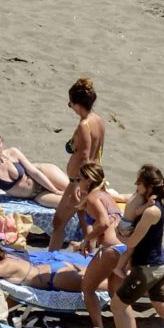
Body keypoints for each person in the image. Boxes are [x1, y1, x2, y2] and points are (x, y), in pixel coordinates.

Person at [110, 165, 164, 328]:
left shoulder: (151, 211)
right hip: (159, 266)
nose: (136, 186)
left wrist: (117, 233)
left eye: (140, 183)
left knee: (117, 305)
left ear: (149, 186)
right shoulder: (156, 204)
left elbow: (133, 241)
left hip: (147, 269)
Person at [48, 78, 106, 249]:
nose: (70, 106)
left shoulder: (84, 125)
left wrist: (77, 185)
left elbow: (85, 156)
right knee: (84, 220)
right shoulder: (99, 121)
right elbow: (98, 150)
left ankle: (51, 257)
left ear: (77, 104)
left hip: (80, 181)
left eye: (70, 103)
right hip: (94, 177)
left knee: (59, 221)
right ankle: (89, 257)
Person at [74, 162, 126, 328]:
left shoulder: (93, 198)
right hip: (124, 249)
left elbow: (103, 223)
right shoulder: (106, 196)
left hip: (111, 250)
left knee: (88, 288)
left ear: (88, 181)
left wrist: (86, 240)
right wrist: (92, 241)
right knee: (115, 294)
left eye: (79, 179)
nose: (77, 182)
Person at [0, 128, 68, 206]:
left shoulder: (13, 153)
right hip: (36, 195)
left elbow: (34, 172)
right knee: (70, 202)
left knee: (76, 191)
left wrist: (54, 190)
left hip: (45, 174)